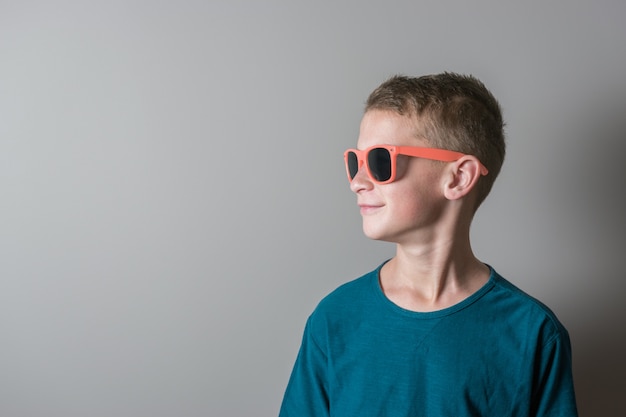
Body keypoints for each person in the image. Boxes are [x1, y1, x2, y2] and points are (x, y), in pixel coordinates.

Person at [278, 72, 578, 416]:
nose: (357, 182)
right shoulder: (335, 319)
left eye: (379, 161)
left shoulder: (532, 333)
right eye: (354, 162)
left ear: (458, 177)